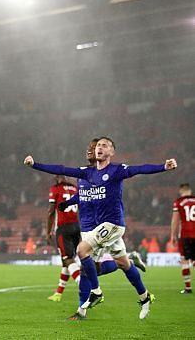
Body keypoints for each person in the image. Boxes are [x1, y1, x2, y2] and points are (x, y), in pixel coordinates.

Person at [24, 136, 177, 319]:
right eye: (97, 146)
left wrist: (163, 166)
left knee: (82, 251)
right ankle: (144, 297)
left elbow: (140, 169)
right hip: (95, 227)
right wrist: (35, 165)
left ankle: (95, 294)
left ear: (111, 152)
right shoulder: (87, 174)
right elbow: (62, 170)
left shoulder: (117, 170)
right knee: (120, 264)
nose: (98, 148)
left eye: (104, 146)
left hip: (112, 224)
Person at [45, 175, 81, 302]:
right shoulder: (75, 188)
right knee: (66, 260)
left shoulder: (56, 189)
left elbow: (51, 212)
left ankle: (83, 285)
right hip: (77, 227)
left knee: (68, 260)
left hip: (63, 228)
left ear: (58, 178)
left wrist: (48, 231)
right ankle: (58, 293)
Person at [170, 183, 195, 294]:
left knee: (184, 259)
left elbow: (175, 221)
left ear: (181, 191)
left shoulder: (178, 202)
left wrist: (173, 235)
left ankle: (188, 288)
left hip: (185, 235)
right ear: (190, 191)